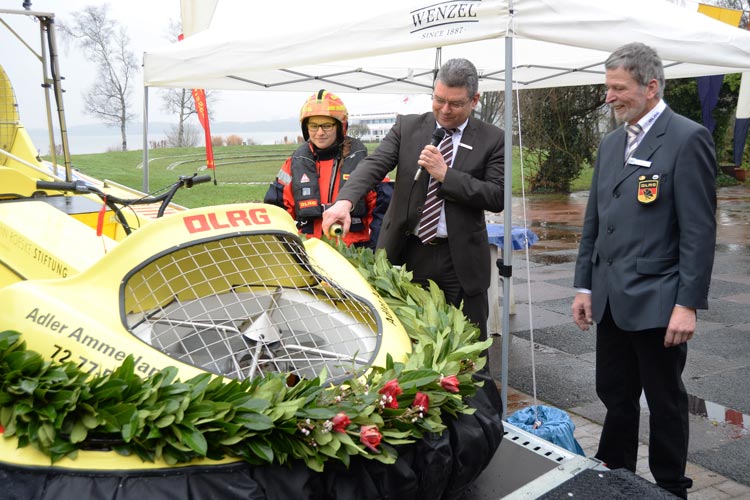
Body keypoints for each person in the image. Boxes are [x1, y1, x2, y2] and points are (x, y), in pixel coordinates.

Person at [571, 42, 717, 499]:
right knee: (615, 393)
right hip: (611, 296)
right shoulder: (612, 143)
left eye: (618, 88)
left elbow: (698, 230)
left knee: (664, 399)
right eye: (607, 87)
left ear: (651, 86)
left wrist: (687, 303)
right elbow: (594, 219)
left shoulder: (687, 137)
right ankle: (616, 474)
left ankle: (671, 486)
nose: (609, 97)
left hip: (659, 300)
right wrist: (583, 286)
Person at [322, 58, 504, 343]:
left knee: (469, 351)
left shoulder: (494, 139)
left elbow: (496, 196)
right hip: (409, 253)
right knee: (410, 344)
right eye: (439, 99)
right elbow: (374, 165)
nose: (444, 110)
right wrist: (345, 201)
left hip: (461, 262)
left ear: (475, 100)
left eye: (455, 104)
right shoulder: (408, 127)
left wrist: (446, 175)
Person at [263, 89, 380, 247]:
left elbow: (381, 209)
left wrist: (376, 249)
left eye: (327, 126)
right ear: (306, 128)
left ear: (341, 126)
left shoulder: (364, 162)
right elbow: (277, 212)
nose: (319, 133)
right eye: (313, 126)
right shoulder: (293, 164)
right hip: (310, 249)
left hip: (354, 251)